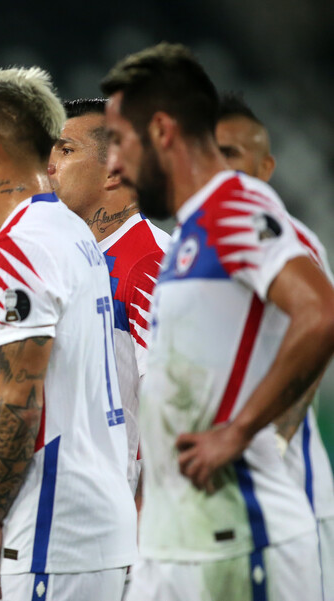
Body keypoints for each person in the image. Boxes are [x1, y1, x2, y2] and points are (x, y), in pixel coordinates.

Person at [101, 43, 334, 601]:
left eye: (119, 141)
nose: (113, 164)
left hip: (240, 537)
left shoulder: (233, 208)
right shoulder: (191, 234)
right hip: (181, 538)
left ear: (161, 130)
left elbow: (321, 311)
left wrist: (238, 431)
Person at [0, 68, 137, 601]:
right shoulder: (75, 234)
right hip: (94, 519)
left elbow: (23, 401)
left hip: (53, 526)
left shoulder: (18, 250)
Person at [215, 92, 334, 601]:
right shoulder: (196, 243)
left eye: (234, 154)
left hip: (287, 493)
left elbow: (312, 340)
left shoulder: (287, 240)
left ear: (265, 167)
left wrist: (265, 441)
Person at [48, 97, 169, 501]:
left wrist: (145, 514)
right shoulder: (61, 260)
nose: (49, 165)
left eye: (65, 150)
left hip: (113, 511)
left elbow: (174, 403)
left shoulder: (153, 263)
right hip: (57, 500)